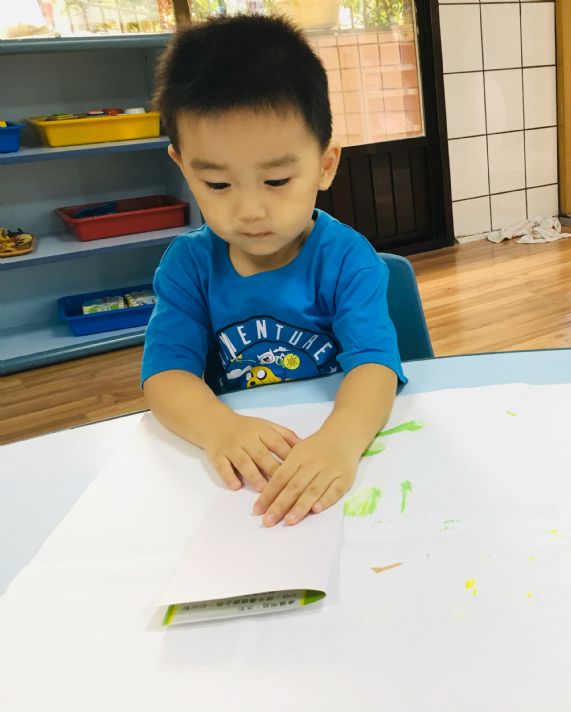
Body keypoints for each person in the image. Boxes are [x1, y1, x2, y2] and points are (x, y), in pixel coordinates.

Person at [142, 15, 404, 526]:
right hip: (239, 477)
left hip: (325, 446)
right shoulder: (188, 267)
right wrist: (218, 429)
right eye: (218, 185)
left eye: (277, 180)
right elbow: (166, 376)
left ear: (325, 165)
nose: (250, 211)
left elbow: (375, 364)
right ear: (183, 168)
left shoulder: (347, 259)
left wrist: (341, 439)